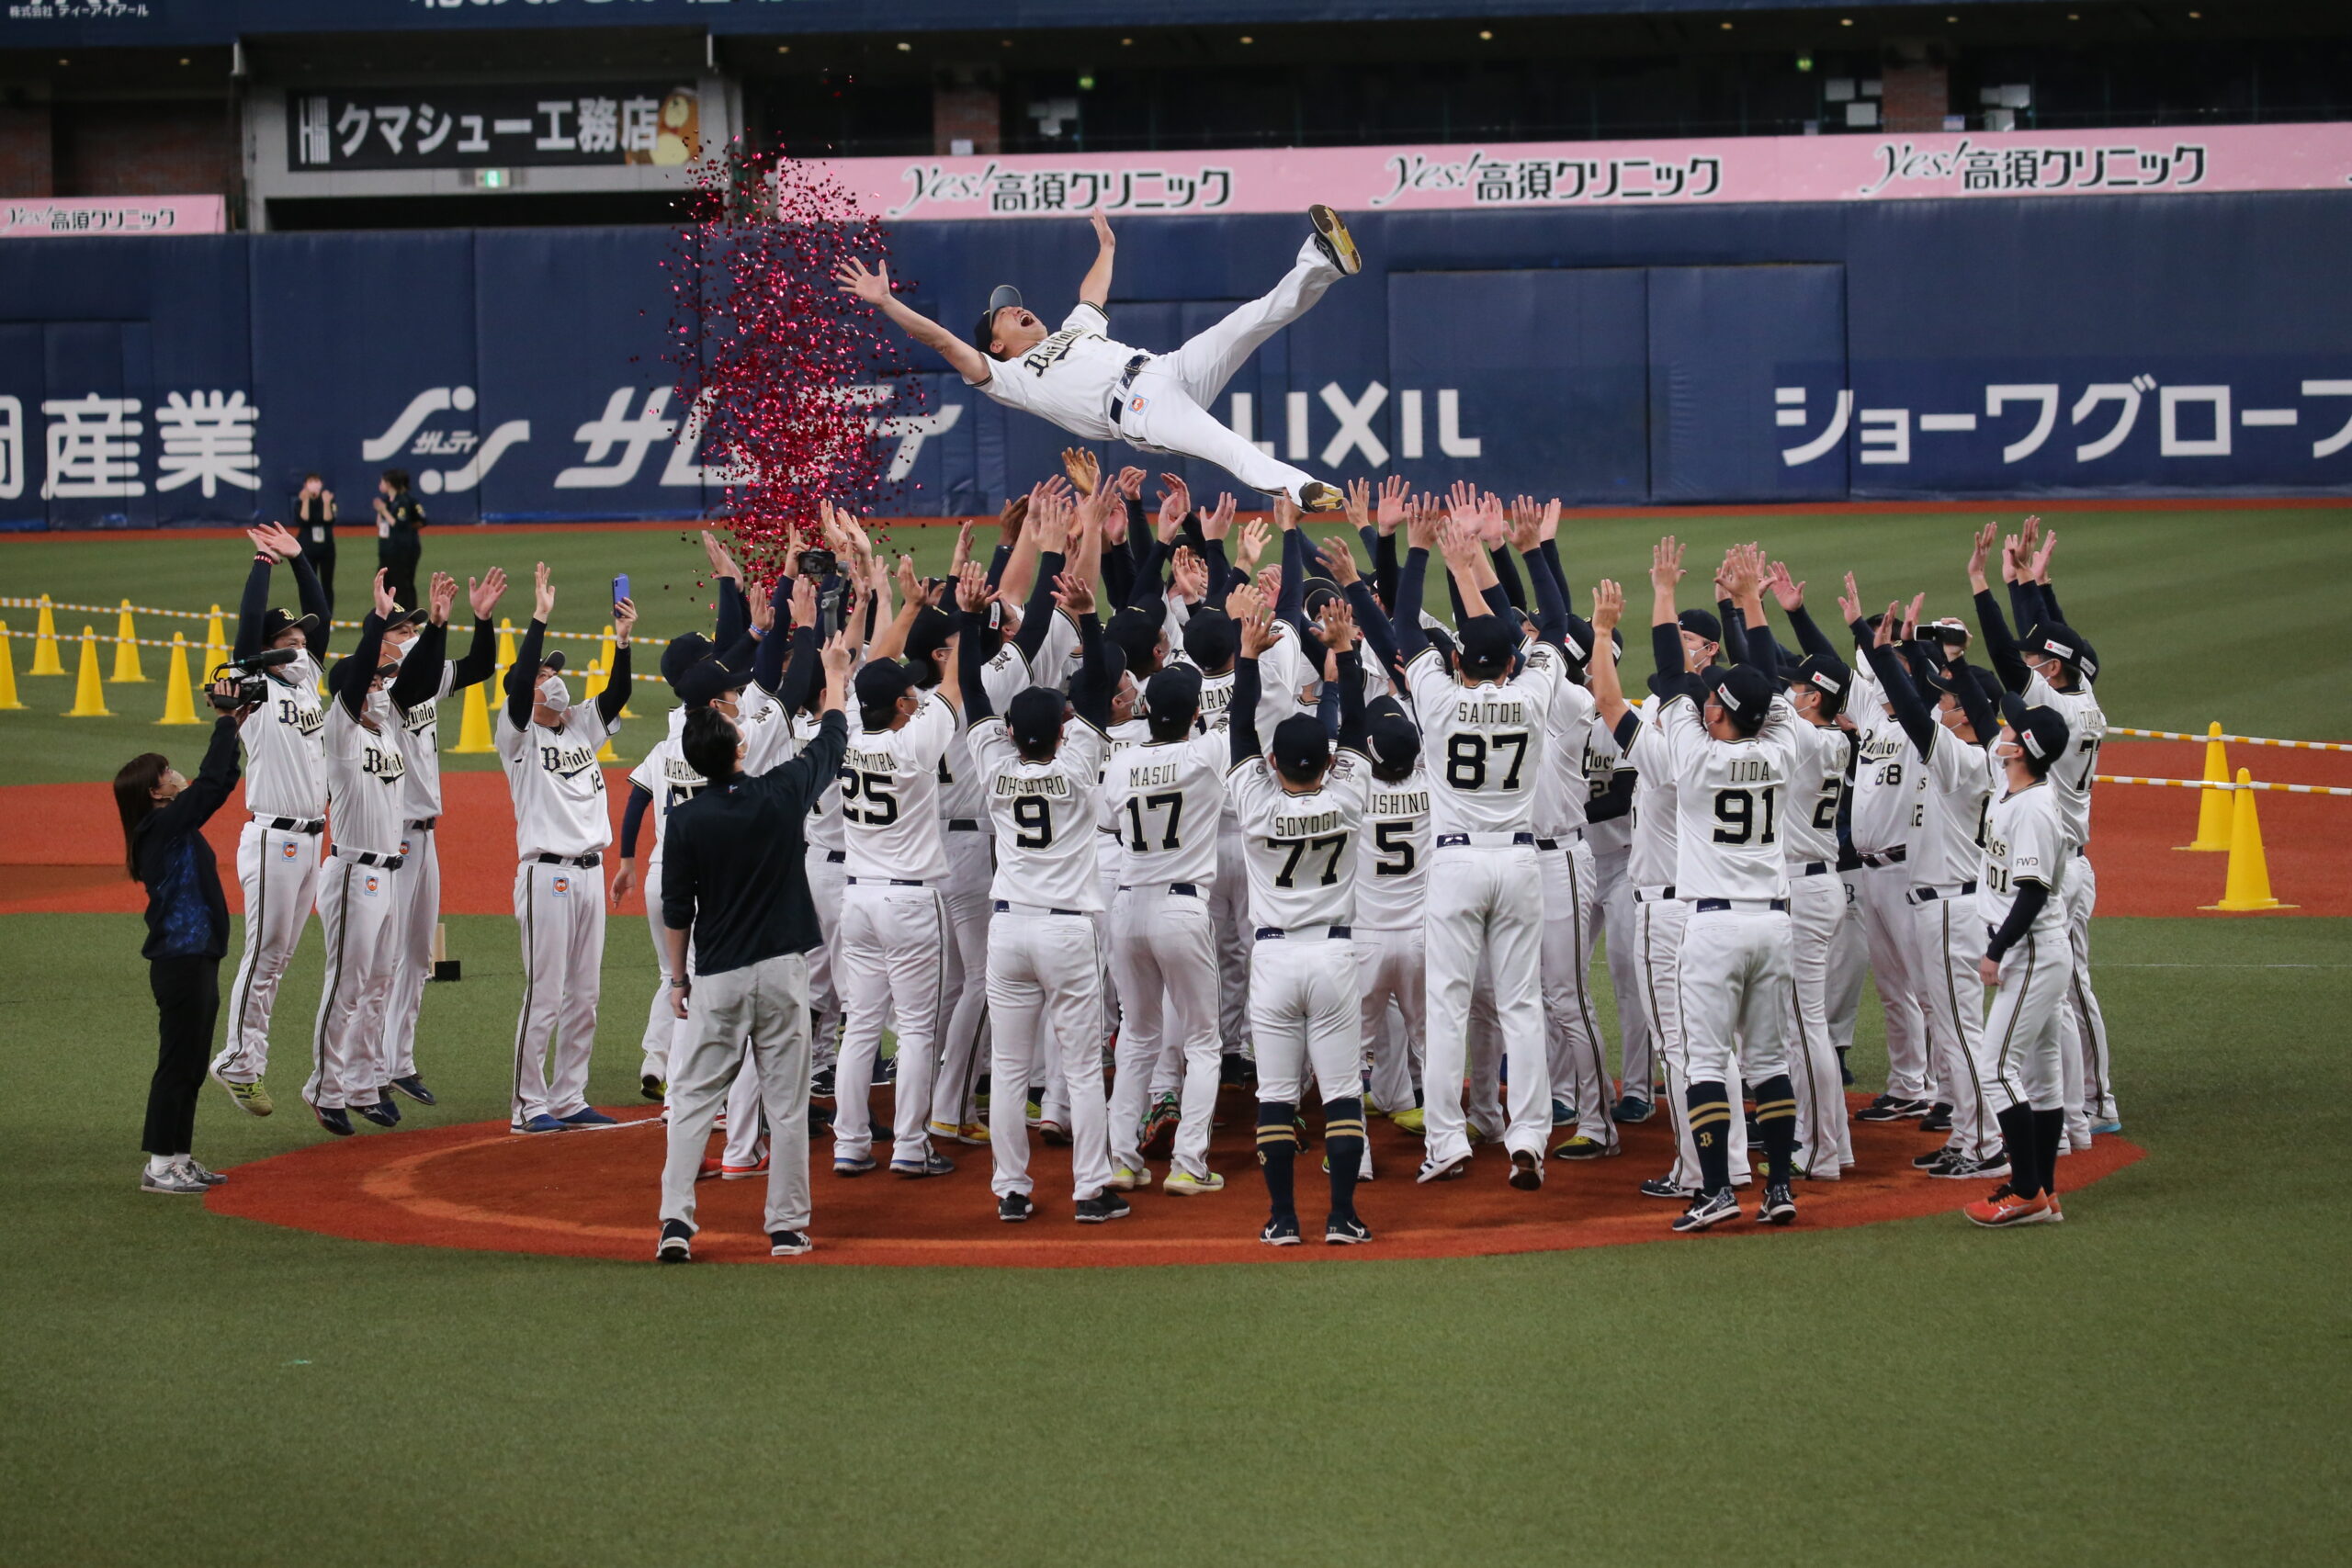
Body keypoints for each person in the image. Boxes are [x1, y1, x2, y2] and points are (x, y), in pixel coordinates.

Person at [835, 207, 1360, 511]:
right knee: (1228, 447)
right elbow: (942, 342)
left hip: (1167, 368)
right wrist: (887, 302)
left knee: (1252, 318)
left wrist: (1106, 249)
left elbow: (1091, 297)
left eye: (1014, 304)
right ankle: (1303, 488)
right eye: (1003, 314)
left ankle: (1321, 259)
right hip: (1137, 412)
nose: (1015, 308)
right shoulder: (1007, 376)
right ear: (995, 344)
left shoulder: (1071, 330)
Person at [1591, 542, 1804, 1235]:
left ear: (1718, 715)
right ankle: (1777, 1188)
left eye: (1713, 701)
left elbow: (1665, 679)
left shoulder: (1693, 757)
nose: (1704, 701)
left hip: (1709, 927)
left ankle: (1714, 1188)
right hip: (1774, 924)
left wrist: (1659, 593)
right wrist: (1750, 602)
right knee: (1769, 1062)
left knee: (1705, 1060)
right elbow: (1768, 686)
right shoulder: (1779, 749)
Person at [654, 628, 854, 1264]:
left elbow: (676, 909)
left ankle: (675, 1223)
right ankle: (788, 1227)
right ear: (740, 747)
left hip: (717, 975)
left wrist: (677, 980)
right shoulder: (778, 795)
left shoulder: (685, 820)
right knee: (787, 1104)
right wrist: (837, 676)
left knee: (691, 1101)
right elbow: (830, 742)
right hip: (782, 971)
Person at [1392, 494, 1567, 1190]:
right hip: (1520, 858)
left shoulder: (1436, 695)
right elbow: (1552, 624)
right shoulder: (1531, 695)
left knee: (1448, 1004)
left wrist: (1418, 548)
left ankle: (1447, 1142)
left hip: (1458, 860)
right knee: (1521, 1004)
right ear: (1511, 664)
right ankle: (1527, 1136)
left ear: (1462, 658)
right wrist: (1523, 550)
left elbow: (1405, 623)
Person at [953, 560, 1126, 1224]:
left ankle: (1011, 1189)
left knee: (1009, 1059)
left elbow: (970, 688)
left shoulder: (994, 762)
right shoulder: (1081, 759)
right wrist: (1087, 615)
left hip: (1009, 926)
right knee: (1080, 1066)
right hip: (1066, 927)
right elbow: (1100, 677)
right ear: (1062, 727)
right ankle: (1089, 1189)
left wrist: (971, 620)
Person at [1226, 587, 1374, 1246]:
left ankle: (1281, 1216)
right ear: (1328, 759)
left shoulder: (1256, 804)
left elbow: (1237, 729)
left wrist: (1247, 657)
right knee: (1341, 1090)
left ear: (1275, 762)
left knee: (1276, 1095)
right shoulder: (1348, 797)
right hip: (1336, 955)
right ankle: (1342, 1214)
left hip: (1274, 958)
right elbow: (1361, 726)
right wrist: (1342, 650)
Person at [1845, 579, 2007, 1181]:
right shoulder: (1976, 755)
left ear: (1967, 714)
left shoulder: (1963, 762)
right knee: (1955, 1029)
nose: (1938, 702)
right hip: (1944, 903)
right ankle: (1968, 1135)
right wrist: (1912, 654)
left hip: (1950, 908)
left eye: (1948, 699)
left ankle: (1987, 1141)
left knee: (1961, 1034)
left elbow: (1912, 710)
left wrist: (1885, 651)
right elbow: (1919, 705)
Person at [1970, 518, 2115, 1146]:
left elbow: (2009, 657)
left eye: (2042, 663)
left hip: (2058, 866)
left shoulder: (2056, 710)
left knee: (2070, 993)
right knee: (2059, 999)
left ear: (2055, 673)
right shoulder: (2082, 698)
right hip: (2064, 854)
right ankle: (2077, 1114)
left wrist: (1983, 588)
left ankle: (2096, 1101)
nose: (2032, 665)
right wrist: (2029, 584)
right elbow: (2058, 645)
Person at [496, 561, 634, 1134]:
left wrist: (623, 643)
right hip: (545, 875)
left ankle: (570, 1096)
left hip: (589, 874)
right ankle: (529, 1104)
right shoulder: (516, 734)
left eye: (555, 672)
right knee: (546, 993)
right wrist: (539, 620)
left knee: (585, 994)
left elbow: (619, 691)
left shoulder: (579, 724)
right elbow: (523, 673)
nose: (554, 678)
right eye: (544, 675)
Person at [305, 570, 439, 1136]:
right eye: (376, 680)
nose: (384, 686)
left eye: (386, 679)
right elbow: (355, 676)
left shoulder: (385, 733)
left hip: (387, 872)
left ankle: (361, 1082)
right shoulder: (339, 733)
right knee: (348, 982)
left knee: (380, 979)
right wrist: (378, 623)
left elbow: (415, 679)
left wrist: (436, 626)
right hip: (352, 871)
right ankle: (324, 1087)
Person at [209, 522, 334, 1118]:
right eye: (290, 636)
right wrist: (262, 563)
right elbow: (241, 640)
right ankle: (237, 1058)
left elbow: (323, 619)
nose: (302, 642)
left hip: (310, 840)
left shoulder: (305, 679)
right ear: (269, 645)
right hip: (272, 836)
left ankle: (247, 1060)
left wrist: (301, 558)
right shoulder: (254, 686)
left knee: (280, 955)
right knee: (264, 953)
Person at [115, 677, 254, 1194]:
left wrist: (234, 726)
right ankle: (159, 1164)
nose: (177, 775)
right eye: (167, 772)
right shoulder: (163, 828)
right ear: (156, 792)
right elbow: (215, 784)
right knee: (178, 1062)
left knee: (192, 1061)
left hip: (195, 958)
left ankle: (180, 1156)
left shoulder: (168, 828)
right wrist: (224, 721)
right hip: (181, 962)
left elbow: (217, 781)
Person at [1100, 660, 1230, 1198]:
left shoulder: (1122, 761)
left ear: (1148, 711)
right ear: (1196, 713)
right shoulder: (1208, 750)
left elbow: (1108, 821)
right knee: (1202, 1041)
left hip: (1127, 908)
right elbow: (1241, 717)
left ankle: (1122, 1162)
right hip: (1181, 908)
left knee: (1136, 1034)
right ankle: (1188, 1163)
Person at [379, 568, 503, 1109]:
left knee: (416, 955)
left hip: (426, 837)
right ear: (382, 642)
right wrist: (434, 623)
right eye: (400, 631)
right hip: (391, 839)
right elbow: (410, 681)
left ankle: (398, 1062)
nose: (409, 637)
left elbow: (480, 665)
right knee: (384, 956)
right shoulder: (388, 689)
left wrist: (481, 619)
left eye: (412, 630)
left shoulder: (425, 681)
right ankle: (367, 1068)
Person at [1963, 695, 2077, 1227]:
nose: (2004, 728)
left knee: (1996, 1068)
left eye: (2014, 727)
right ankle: (2046, 1193)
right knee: (2042, 1072)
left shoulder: (2034, 808)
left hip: (2030, 949)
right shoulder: (2016, 784)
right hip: (2038, 949)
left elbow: (2031, 893)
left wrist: (1995, 950)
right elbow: (1987, 722)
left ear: (2025, 748)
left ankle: (2027, 1188)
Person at [375, 468, 426, 613]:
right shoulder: (387, 501)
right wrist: (381, 511)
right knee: (385, 582)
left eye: (383, 481)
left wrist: (384, 511)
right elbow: (381, 525)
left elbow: (401, 523)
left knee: (403, 583)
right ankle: (389, 613)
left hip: (402, 549)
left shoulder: (404, 501)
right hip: (387, 548)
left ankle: (408, 615)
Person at [295, 472, 337, 615]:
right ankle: (310, 615)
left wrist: (326, 503)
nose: (314, 484)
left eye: (316, 481)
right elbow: (304, 520)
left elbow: (328, 520)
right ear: (305, 485)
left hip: (326, 549)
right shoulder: (299, 502)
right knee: (309, 584)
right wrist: (305, 501)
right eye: (311, 481)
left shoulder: (328, 500)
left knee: (326, 584)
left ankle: (328, 616)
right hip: (307, 548)